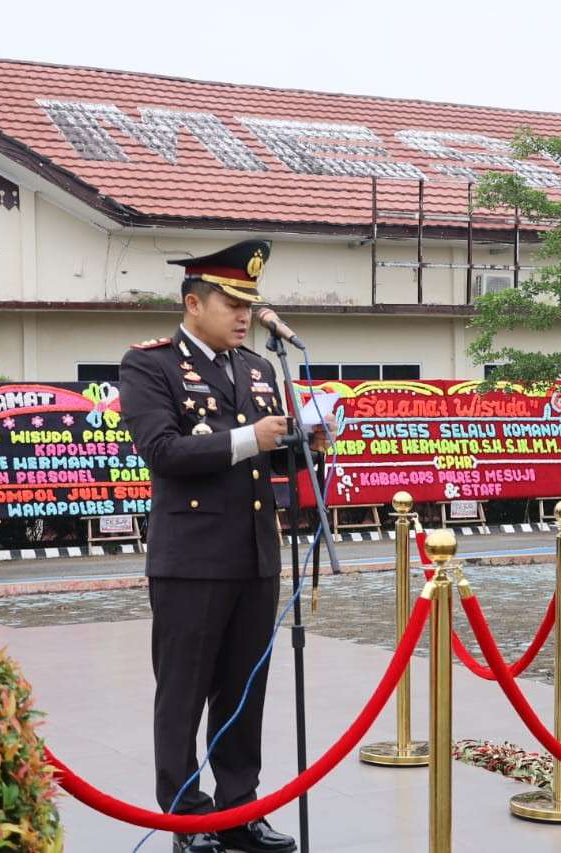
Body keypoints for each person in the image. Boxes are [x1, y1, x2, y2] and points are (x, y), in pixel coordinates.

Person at [119, 240, 330, 853]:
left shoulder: (259, 369)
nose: (244, 316)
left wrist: (308, 443)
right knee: (183, 691)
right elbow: (161, 451)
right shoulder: (151, 366)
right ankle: (187, 816)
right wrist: (249, 438)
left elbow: (273, 451)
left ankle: (241, 809)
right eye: (231, 302)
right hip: (191, 558)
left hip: (255, 555)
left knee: (244, 689)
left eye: (250, 305)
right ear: (193, 303)